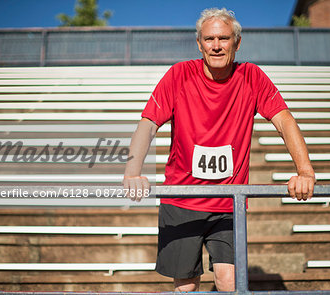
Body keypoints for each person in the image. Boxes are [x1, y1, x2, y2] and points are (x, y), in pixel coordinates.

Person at [123, 8, 315, 292]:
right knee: (186, 286)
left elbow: (284, 120)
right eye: (209, 39)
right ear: (199, 44)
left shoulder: (251, 76)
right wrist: (133, 172)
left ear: (237, 43)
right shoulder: (179, 75)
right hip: (182, 201)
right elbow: (148, 124)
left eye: (223, 38)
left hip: (228, 203)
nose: (216, 46)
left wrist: (305, 171)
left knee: (230, 281)